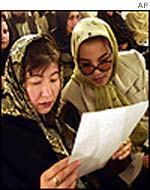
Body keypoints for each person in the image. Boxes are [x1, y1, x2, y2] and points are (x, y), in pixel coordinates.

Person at [58, 17, 149, 188]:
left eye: (104, 61)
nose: (97, 72)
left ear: (113, 52)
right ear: (76, 61)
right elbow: (90, 160)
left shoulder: (133, 62)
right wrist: (138, 159)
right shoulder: (71, 96)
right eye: (86, 65)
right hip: (122, 168)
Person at [1, 34, 83, 189]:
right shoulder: (7, 131)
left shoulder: (65, 112)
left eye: (53, 79)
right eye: (36, 82)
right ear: (17, 83)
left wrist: (113, 156)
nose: (47, 93)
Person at [50, 11, 82, 85]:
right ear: (62, 19)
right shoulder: (51, 40)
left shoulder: (78, 37)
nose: (75, 22)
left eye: (77, 17)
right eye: (71, 18)